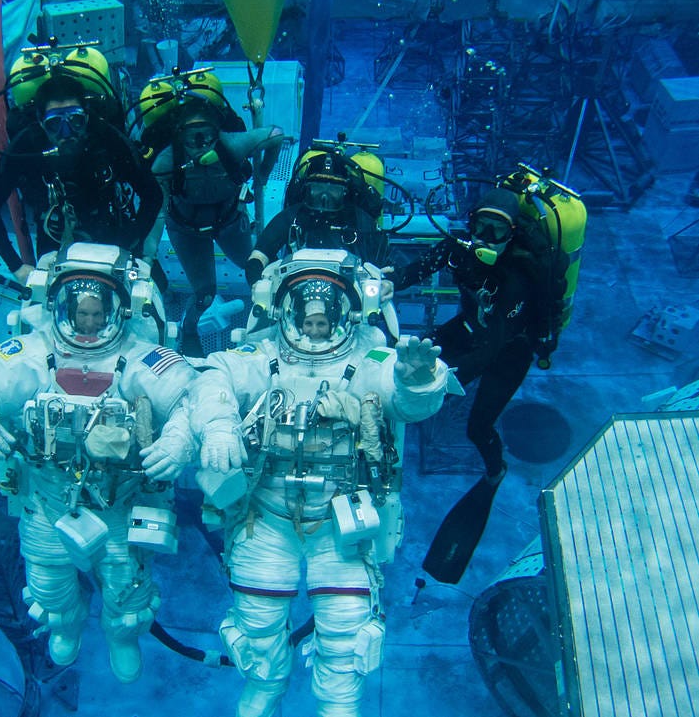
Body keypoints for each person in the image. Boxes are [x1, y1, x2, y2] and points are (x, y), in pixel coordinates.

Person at [187, 249, 450, 717]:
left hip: (341, 522)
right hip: (265, 517)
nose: (315, 331)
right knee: (258, 620)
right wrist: (219, 425)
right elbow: (212, 375)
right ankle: (266, 686)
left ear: (345, 316)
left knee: (347, 630)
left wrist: (420, 380)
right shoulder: (262, 355)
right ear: (286, 314)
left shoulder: (371, 358)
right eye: (307, 322)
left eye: (324, 322)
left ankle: (337, 704)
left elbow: (408, 402)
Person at [0, 243, 197, 683]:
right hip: (48, 500)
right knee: (48, 584)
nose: (88, 324)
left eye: (97, 315)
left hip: (119, 502)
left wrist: (178, 439)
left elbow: (189, 400)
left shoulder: (140, 359)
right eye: (80, 314)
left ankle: (121, 636)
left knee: (128, 588)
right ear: (61, 307)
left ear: (118, 312)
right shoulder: (32, 351)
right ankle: (65, 625)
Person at [390, 186, 565, 482]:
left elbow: (490, 350)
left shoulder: (517, 279)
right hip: (471, 326)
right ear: (471, 225)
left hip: (509, 351)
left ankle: (496, 471)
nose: (487, 238)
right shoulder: (460, 250)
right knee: (421, 349)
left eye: (497, 231)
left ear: (511, 235)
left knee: (478, 427)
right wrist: (389, 282)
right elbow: (418, 269)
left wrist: (440, 379)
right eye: (481, 227)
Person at [0, 74, 163, 285]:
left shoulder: (105, 137)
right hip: (54, 236)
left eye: (75, 121)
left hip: (110, 231)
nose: (67, 133)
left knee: (142, 290)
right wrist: (16, 266)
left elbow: (153, 194)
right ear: (40, 122)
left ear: (87, 116)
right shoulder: (27, 145)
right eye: (55, 124)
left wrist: (131, 240)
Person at [143, 98, 285, 356]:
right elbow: (158, 212)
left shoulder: (232, 144)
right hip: (187, 232)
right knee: (204, 294)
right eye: (191, 138)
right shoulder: (166, 162)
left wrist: (264, 171)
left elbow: (275, 135)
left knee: (259, 269)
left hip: (231, 224)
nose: (199, 145)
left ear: (217, 132)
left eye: (206, 136)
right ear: (179, 136)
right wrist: (148, 254)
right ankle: (189, 328)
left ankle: (274, 320)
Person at [246, 147, 388, 285]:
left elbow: (386, 264)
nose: (325, 197)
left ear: (345, 192)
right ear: (305, 189)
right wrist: (259, 285)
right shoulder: (292, 216)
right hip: (296, 288)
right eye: (318, 189)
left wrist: (386, 282)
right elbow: (259, 256)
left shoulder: (360, 220)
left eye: (333, 190)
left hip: (348, 292)